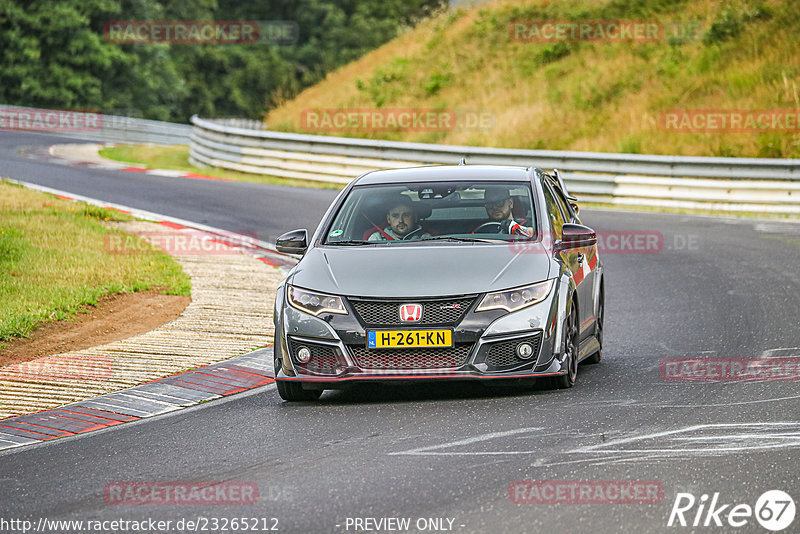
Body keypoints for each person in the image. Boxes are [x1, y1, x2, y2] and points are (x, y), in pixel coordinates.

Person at [367, 196, 432, 241]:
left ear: (415, 218)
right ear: (389, 219)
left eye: (406, 215)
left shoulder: (425, 239)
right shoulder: (377, 239)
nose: (401, 220)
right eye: (395, 216)